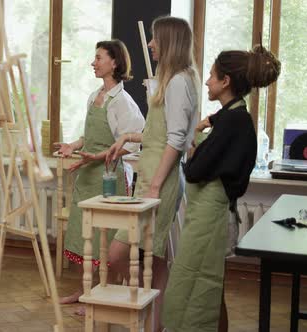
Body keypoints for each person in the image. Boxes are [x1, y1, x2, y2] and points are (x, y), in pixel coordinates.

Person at [162, 45, 280, 332]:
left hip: (210, 220)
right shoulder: (234, 116)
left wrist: (191, 147)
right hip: (210, 217)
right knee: (208, 285)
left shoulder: (233, 120)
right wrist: (206, 124)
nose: (207, 81)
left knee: (194, 284)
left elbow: (196, 171)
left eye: (212, 76)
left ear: (226, 81)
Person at [105, 16, 200, 332]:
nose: (149, 44)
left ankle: (144, 314)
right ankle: (156, 325)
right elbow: (158, 134)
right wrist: (127, 138)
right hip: (150, 178)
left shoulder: (179, 83)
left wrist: (156, 185)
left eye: (154, 39)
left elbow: (176, 140)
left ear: (169, 42)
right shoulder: (173, 80)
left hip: (159, 181)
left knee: (118, 254)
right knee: (157, 262)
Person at [55, 39, 145, 311]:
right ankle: (84, 291)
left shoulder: (123, 102)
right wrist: (73, 146)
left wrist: (99, 157)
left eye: (98, 58)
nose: (93, 62)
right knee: (86, 235)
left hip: (109, 177)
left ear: (114, 63)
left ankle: (100, 294)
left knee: (103, 238)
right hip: (88, 175)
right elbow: (91, 136)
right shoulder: (94, 95)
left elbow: (132, 143)